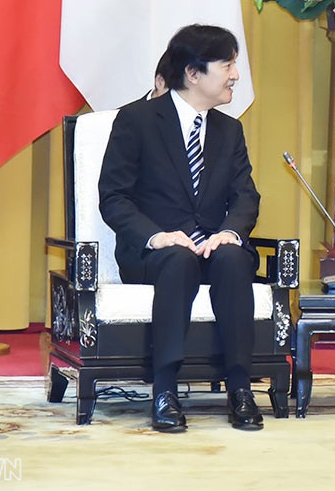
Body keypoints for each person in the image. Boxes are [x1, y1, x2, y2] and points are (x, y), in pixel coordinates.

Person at [99, 25, 263, 433]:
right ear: (193, 73)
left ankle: (240, 387)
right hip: (155, 252)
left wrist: (230, 231)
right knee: (177, 258)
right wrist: (156, 236)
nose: (235, 75)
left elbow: (246, 197)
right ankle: (165, 389)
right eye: (227, 64)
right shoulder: (136, 120)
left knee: (231, 258)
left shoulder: (230, 130)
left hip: (211, 246)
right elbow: (114, 197)